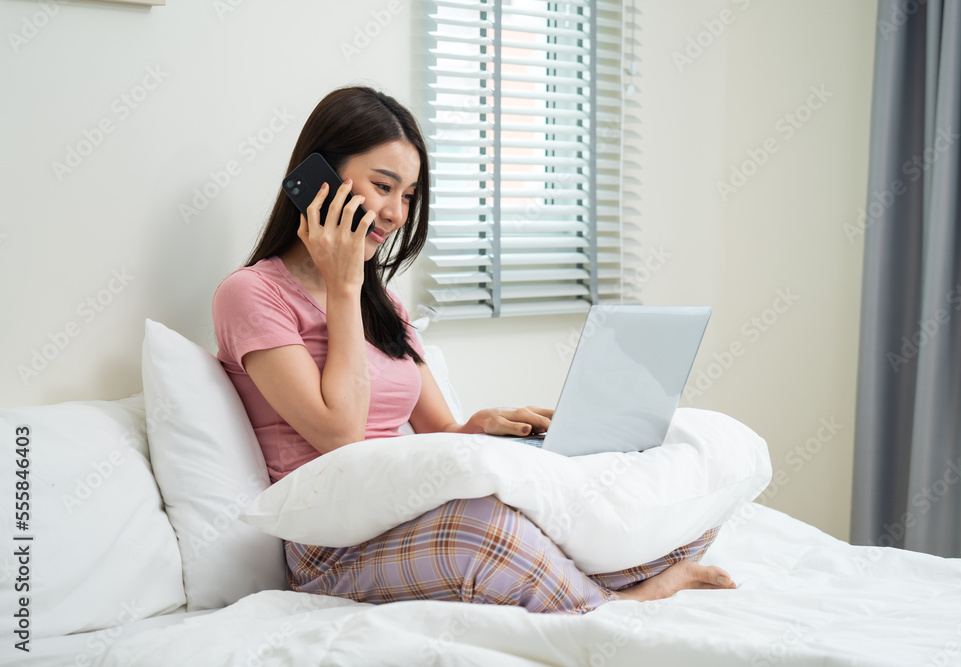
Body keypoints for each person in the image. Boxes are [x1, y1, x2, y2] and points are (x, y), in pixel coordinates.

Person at [212, 85, 736, 614]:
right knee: (488, 531)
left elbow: (438, 431)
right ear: (319, 179)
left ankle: (577, 576)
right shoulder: (251, 295)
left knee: (672, 488)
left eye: (409, 196)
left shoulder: (386, 306)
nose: (395, 213)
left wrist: (480, 425)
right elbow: (342, 436)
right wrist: (344, 285)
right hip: (331, 544)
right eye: (383, 186)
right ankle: (619, 600)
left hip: (407, 508)